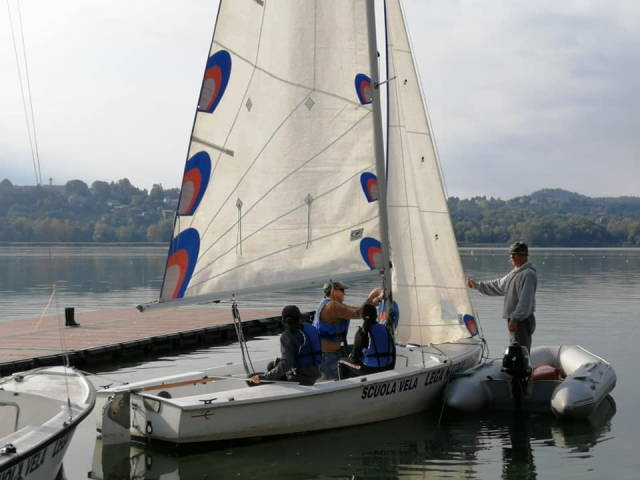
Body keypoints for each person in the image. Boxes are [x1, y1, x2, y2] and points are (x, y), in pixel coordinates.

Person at [467, 241, 537, 351]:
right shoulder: (515, 273)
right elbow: (498, 285)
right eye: (511, 254)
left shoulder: (528, 274)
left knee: (521, 350)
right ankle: (519, 367)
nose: (512, 257)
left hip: (522, 320)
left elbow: (525, 301)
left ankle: (523, 368)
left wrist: (515, 319)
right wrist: (477, 285)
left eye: (515, 254)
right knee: (516, 348)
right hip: (514, 319)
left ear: (524, 255)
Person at [313, 280, 383, 380]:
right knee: (335, 383)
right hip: (328, 355)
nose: (344, 293)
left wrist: (373, 303)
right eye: (342, 290)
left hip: (330, 352)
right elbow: (358, 313)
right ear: (333, 291)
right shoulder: (333, 306)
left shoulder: (330, 304)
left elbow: (356, 309)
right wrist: (372, 296)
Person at [250, 305, 321, 386]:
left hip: (301, 378)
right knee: (272, 365)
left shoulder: (287, 336)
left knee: (250, 379)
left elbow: (287, 364)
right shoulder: (311, 328)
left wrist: (264, 377)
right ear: (299, 317)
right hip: (316, 372)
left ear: (283, 320)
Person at [339, 303, 395, 379]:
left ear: (363, 316)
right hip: (388, 367)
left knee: (341, 361)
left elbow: (354, 358)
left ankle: (347, 387)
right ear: (376, 315)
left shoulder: (363, 331)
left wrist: (350, 356)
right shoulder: (385, 329)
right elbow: (393, 351)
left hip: (371, 370)